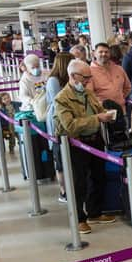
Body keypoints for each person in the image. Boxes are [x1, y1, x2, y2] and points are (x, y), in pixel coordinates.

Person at [53, 59, 117, 234]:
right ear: (73, 76)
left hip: (95, 140)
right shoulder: (61, 99)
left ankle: (94, 213)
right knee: (78, 183)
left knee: (98, 177)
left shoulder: (88, 93)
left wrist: (106, 114)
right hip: (75, 144)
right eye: (86, 77)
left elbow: (97, 110)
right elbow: (70, 125)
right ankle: (79, 218)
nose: (89, 81)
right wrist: (97, 119)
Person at [45, 52, 73, 202]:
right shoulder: (53, 81)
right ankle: (64, 191)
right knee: (60, 159)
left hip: (68, 119)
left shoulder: (67, 79)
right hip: (57, 122)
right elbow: (58, 103)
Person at [89, 43, 132, 112]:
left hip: (121, 110)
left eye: (106, 52)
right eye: (101, 52)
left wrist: (120, 98)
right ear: (94, 54)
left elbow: (128, 87)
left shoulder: (119, 69)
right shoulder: (89, 72)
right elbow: (90, 95)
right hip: (102, 113)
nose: (104, 54)